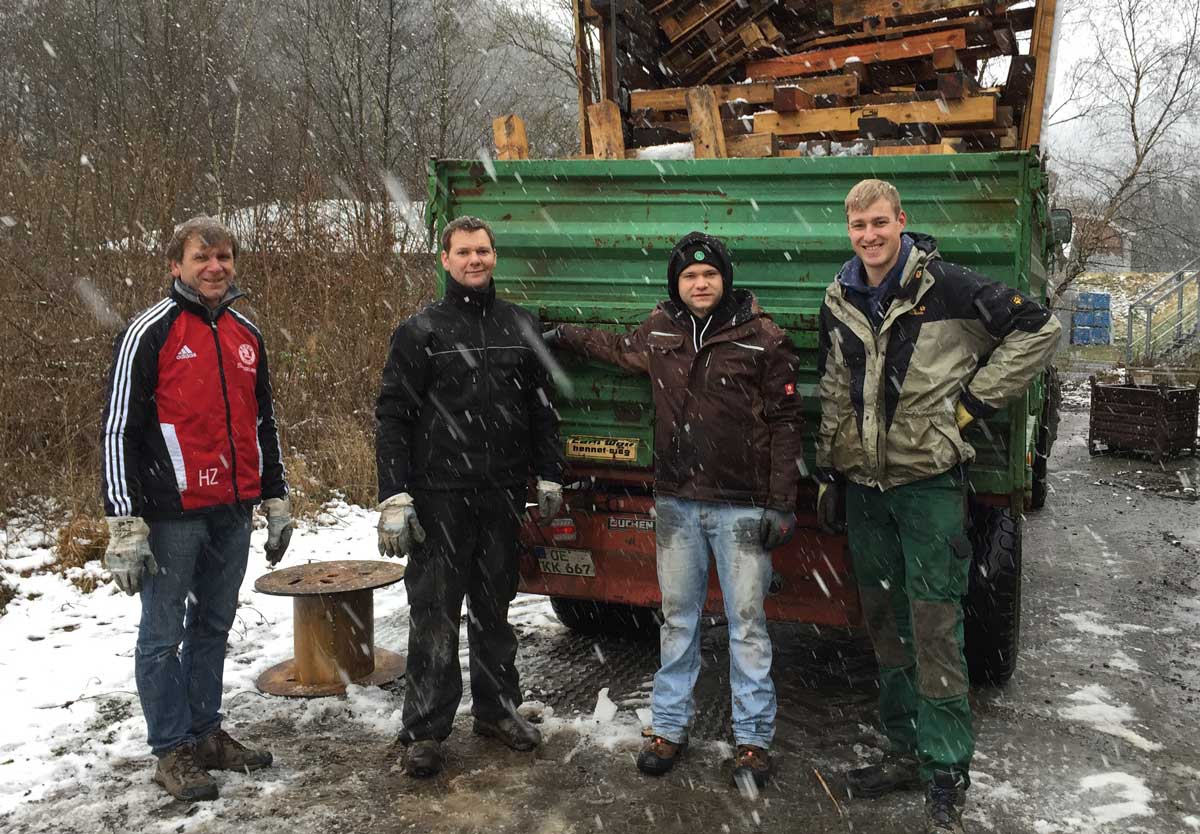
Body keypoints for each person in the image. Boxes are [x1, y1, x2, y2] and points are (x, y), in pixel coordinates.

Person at [815, 179, 1061, 833]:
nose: (868, 235)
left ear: (901, 221)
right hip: (866, 490)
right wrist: (829, 471)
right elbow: (837, 387)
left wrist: (974, 402)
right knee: (886, 626)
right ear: (849, 231)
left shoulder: (947, 288)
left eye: (878, 222)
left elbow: (1040, 329)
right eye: (857, 226)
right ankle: (902, 750)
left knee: (934, 628)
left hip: (928, 488)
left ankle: (945, 768)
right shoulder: (839, 298)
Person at [544, 232, 804, 788]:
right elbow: (617, 349)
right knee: (678, 620)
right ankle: (668, 727)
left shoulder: (763, 337)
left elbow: (786, 423)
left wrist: (782, 503)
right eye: (689, 276)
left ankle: (753, 741)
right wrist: (564, 335)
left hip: (741, 508)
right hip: (677, 502)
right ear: (677, 284)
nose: (700, 283)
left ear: (725, 279)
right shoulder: (660, 329)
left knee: (748, 625)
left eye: (709, 275)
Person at [100, 216, 292, 802]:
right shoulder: (149, 333)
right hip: (171, 513)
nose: (215, 267)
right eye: (202, 258)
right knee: (161, 636)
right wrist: (124, 519)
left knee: (212, 625)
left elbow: (263, 423)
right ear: (176, 266)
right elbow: (117, 429)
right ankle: (172, 749)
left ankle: (206, 733)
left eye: (224, 257)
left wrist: (275, 495)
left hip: (232, 509)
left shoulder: (246, 335)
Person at [376, 215, 563, 779]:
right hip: (440, 497)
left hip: (502, 493)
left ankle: (497, 711)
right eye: (463, 252)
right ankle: (426, 730)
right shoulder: (421, 331)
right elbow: (393, 415)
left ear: (494, 257)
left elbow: (541, 410)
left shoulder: (519, 325)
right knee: (434, 612)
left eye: (483, 251)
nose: (474, 260)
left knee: (494, 610)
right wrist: (394, 495)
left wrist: (549, 475)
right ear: (445, 259)